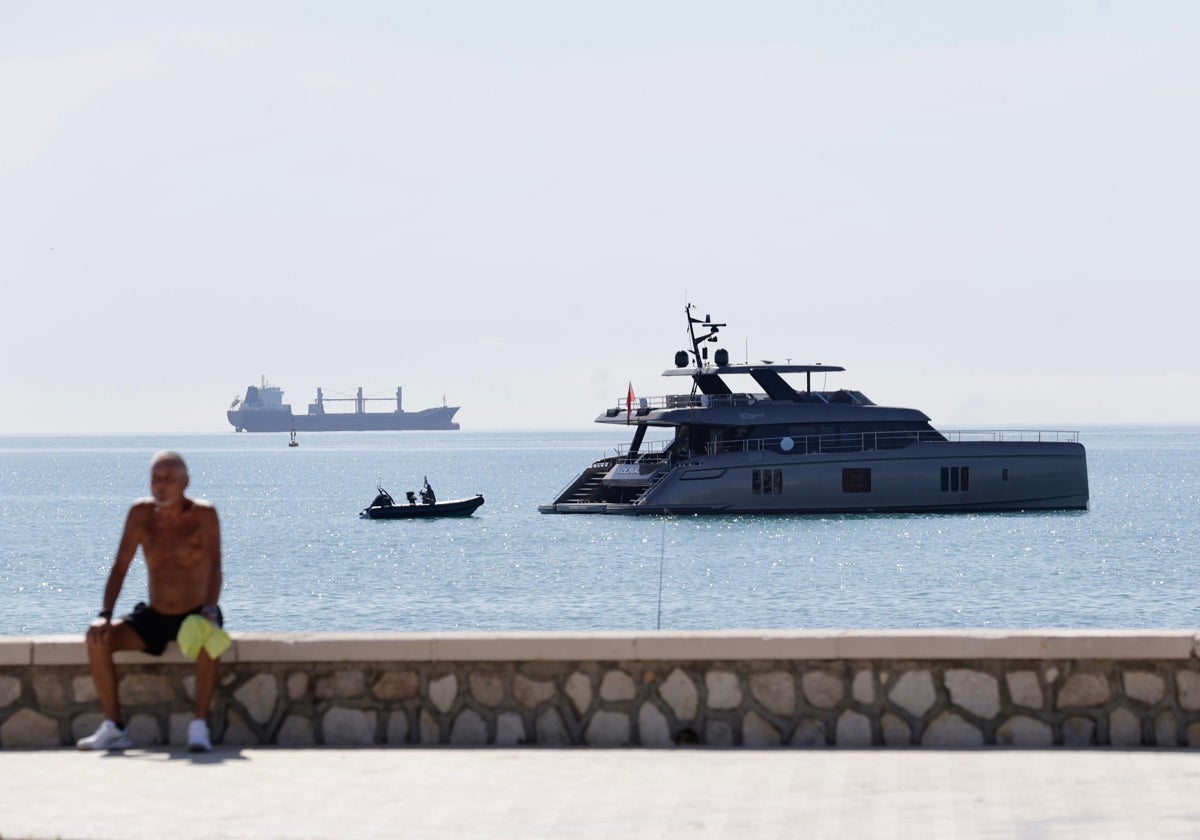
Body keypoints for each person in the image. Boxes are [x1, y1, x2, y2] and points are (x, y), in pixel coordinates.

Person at [76, 451, 224, 753]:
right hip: (155, 615)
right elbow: (120, 567)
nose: (161, 486)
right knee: (98, 639)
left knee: (211, 640)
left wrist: (210, 608)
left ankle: (199, 725)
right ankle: (115, 727)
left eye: (169, 479)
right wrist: (104, 615)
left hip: (197, 613)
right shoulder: (140, 515)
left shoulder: (203, 515)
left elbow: (214, 566)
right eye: (156, 479)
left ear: (185, 482)